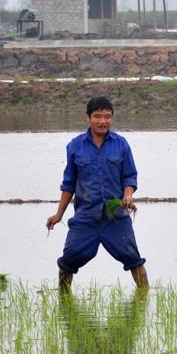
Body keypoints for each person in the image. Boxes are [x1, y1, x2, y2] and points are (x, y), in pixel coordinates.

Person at [47, 96, 148, 293]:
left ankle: (144, 298)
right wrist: (58, 215)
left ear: (112, 118)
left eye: (107, 116)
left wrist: (127, 195)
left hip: (116, 217)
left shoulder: (121, 144)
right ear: (88, 117)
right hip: (86, 217)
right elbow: (69, 184)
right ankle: (63, 300)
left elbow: (129, 176)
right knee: (68, 261)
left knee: (134, 259)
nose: (103, 121)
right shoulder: (75, 146)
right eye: (97, 116)